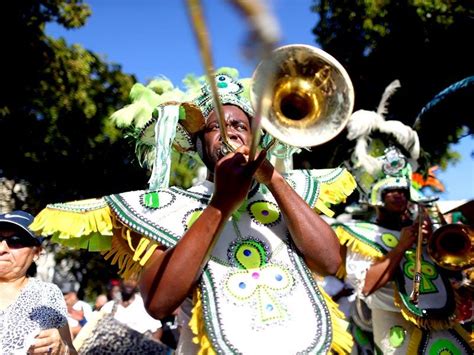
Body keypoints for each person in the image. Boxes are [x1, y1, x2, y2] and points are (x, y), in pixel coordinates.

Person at [30, 69, 357, 354]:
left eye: (240, 125)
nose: (231, 132)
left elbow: (331, 262)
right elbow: (158, 303)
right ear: (197, 145)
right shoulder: (173, 207)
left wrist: (272, 178)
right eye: (217, 127)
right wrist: (220, 205)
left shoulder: (285, 191)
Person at [332, 88, 473, 354]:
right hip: (395, 329)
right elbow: (366, 286)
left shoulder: (425, 226)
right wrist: (401, 247)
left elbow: (454, 268)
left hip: (445, 324)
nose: (399, 195)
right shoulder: (359, 232)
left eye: (403, 191)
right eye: (390, 191)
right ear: (377, 196)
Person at [0, 210, 77, 354]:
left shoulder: (47, 294)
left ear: (36, 253)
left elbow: (70, 349)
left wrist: (62, 349)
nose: (2, 248)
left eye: (15, 241)